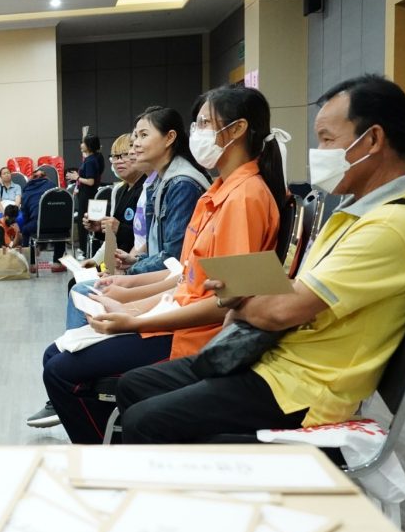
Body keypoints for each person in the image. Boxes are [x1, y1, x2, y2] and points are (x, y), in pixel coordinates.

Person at [115, 75, 405, 444]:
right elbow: (268, 294)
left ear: (374, 139)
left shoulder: (392, 226)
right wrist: (247, 299)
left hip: (304, 389)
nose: (319, 151)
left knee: (144, 419)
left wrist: (238, 302)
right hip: (274, 360)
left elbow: (278, 309)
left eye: (328, 139)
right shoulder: (357, 213)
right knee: (134, 386)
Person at [35, 86, 284, 443]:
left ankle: (101, 459)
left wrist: (136, 319)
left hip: (193, 337)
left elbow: (225, 305)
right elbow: (188, 277)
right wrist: (132, 303)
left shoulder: (244, 198)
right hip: (176, 320)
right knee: (55, 356)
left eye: (202, 124)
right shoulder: (218, 193)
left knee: (61, 372)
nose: (195, 134)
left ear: (237, 129)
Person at [60, 134, 149, 331]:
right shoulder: (119, 190)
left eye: (124, 155)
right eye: (114, 157)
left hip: (132, 266)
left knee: (81, 288)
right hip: (115, 262)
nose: (118, 162)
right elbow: (114, 237)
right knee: (77, 281)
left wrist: (116, 229)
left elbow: (143, 240)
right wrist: (96, 254)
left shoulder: (147, 190)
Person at [112, 106, 209, 276]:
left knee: (85, 290)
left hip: (175, 282)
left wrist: (129, 274)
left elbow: (174, 259)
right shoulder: (160, 182)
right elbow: (160, 251)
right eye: (136, 136)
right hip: (164, 278)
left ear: (169, 137)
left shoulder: (182, 184)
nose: (135, 143)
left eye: (144, 135)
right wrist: (136, 261)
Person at [19, 164, 66, 272]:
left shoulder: (27, 191)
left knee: (26, 230)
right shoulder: (54, 186)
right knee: (61, 226)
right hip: (57, 227)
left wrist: (26, 225)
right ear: (45, 177)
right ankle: (57, 264)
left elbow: (25, 214)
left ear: (32, 178)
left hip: (38, 226)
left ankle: (31, 264)